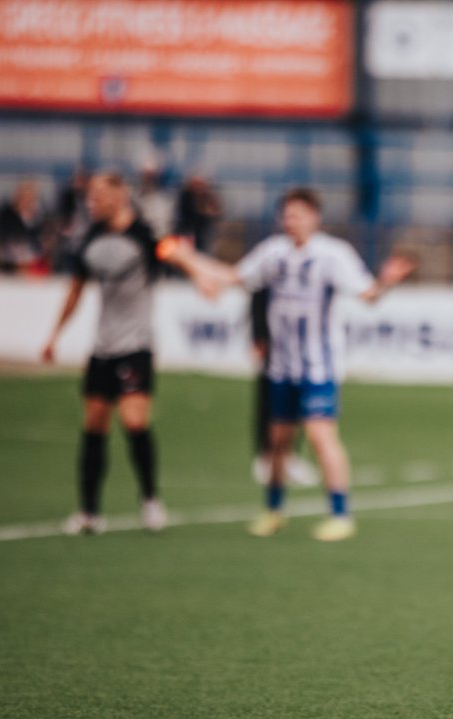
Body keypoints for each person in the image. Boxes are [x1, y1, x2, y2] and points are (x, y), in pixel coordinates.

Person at [161, 187, 414, 543]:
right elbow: (234, 277)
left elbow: (367, 295)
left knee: (320, 435)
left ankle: (340, 514)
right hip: (281, 365)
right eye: (286, 215)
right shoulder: (273, 252)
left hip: (319, 366)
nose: (290, 221)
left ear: (315, 217)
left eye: (297, 214)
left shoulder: (332, 254)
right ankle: (274, 509)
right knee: (278, 441)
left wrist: (386, 280)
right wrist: (189, 258)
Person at [40, 172, 196, 534]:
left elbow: (172, 251)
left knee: (134, 422)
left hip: (135, 346)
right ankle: (89, 511)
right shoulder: (89, 238)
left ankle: (151, 500)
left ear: (118, 195)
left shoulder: (143, 234)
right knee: (94, 425)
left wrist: (200, 275)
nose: (91, 201)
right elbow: (76, 290)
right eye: (90, 195)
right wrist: (54, 336)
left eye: (98, 195)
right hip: (102, 347)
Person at [250, 286, 319, 487]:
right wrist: (259, 334)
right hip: (275, 347)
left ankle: (290, 456)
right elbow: (257, 292)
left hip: (301, 350)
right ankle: (265, 455)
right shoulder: (272, 258)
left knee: (298, 407)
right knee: (268, 404)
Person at [0, 180, 49, 275]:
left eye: (31, 197)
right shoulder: (6, 214)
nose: (28, 200)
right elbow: (0, 234)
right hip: (10, 257)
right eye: (25, 197)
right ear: (18, 197)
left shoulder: (39, 215)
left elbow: (41, 237)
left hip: (32, 259)